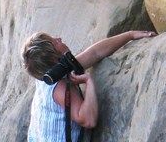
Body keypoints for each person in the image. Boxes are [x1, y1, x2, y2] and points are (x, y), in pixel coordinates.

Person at [21, 30, 156, 142]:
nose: (59, 38)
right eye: (55, 42)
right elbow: (88, 120)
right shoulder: (60, 88)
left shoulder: (49, 73)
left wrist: (130, 35)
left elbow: (95, 53)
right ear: (56, 59)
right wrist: (89, 82)